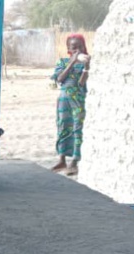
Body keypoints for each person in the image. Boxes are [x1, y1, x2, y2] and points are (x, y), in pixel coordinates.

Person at [50, 33, 91, 175]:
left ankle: (74, 161)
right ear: (68, 48)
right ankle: (61, 159)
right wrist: (72, 62)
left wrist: (86, 67)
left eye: (79, 47)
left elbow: (81, 83)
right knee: (62, 126)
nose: (77, 50)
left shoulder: (86, 63)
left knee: (77, 128)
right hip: (63, 99)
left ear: (84, 47)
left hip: (78, 99)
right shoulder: (62, 62)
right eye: (73, 47)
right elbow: (60, 79)